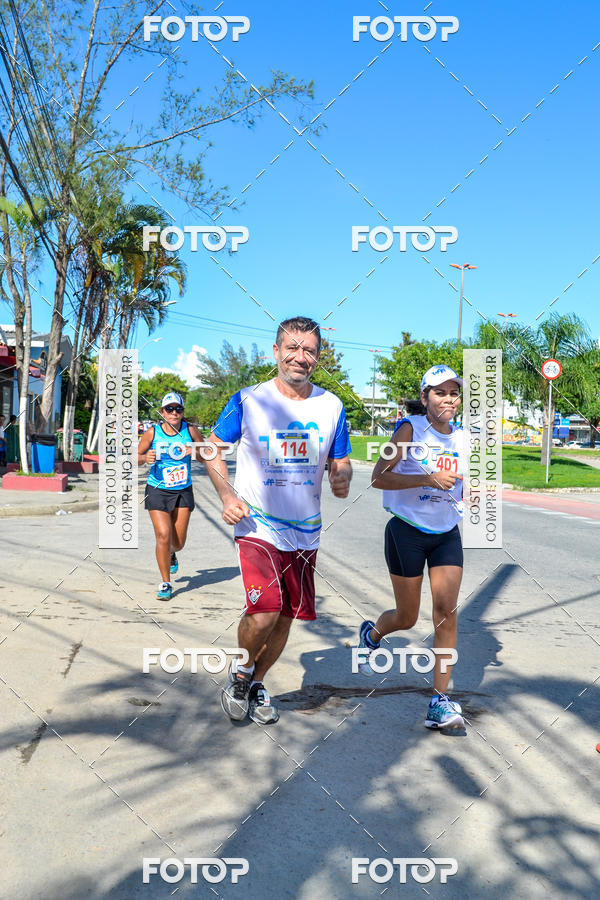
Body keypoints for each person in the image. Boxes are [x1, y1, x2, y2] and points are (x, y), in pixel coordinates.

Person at [205, 316, 353, 725]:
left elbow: (340, 460)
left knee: (287, 616)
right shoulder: (248, 399)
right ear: (275, 351)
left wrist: (342, 476)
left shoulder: (331, 406)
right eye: (292, 348)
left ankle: (257, 681)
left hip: (305, 531)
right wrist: (227, 495)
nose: (300, 357)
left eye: (309, 350)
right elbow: (212, 449)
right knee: (266, 609)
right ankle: (239, 672)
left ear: (318, 357)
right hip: (257, 524)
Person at [357, 365, 465, 729]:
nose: (447, 399)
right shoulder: (408, 429)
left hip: (446, 532)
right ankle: (372, 634)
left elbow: (471, 487)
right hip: (406, 530)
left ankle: (440, 700)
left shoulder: (466, 440)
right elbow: (378, 477)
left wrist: (478, 495)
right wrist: (428, 477)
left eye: (453, 392)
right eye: (439, 392)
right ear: (425, 398)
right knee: (407, 617)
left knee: (446, 612)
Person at [137, 392, 203, 601]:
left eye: (178, 409)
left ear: (183, 411)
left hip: (183, 490)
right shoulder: (152, 433)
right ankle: (166, 582)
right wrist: (145, 457)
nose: (174, 413)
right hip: (157, 488)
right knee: (163, 535)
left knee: (178, 542)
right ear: (163, 411)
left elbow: (206, 455)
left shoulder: (190, 430)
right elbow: (135, 457)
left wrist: (192, 450)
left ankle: (172, 553)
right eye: (169, 409)